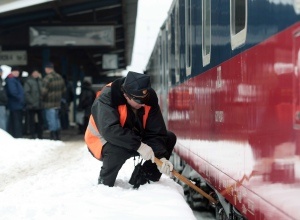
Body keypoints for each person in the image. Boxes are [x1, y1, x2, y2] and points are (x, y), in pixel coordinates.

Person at [85, 71, 176, 187]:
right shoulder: (107, 97)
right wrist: (139, 145)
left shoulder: (149, 98)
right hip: (102, 140)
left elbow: (156, 132)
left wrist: (161, 156)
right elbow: (111, 131)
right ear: (126, 95)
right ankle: (105, 184)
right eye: (139, 101)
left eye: (145, 99)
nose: (143, 104)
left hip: (133, 137)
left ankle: (147, 178)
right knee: (117, 148)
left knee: (169, 138)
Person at [41, 62, 66, 140]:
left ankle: (53, 135)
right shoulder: (59, 77)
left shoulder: (47, 78)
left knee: (51, 120)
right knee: (56, 119)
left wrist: (41, 98)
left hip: (49, 103)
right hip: (57, 102)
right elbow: (64, 90)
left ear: (47, 69)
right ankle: (58, 134)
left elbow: (43, 91)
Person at [5, 66, 25, 138]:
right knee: (16, 121)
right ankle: (17, 135)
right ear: (12, 72)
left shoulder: (15, 79)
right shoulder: (11, 80)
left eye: (18, 71)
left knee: (16, 120)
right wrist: (20, 98)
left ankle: (16, 134)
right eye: (15, 71)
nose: (17, 73)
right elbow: (13, 92)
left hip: (17, 104)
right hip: (15, 104)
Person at [24, 69, 44, 139]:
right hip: (32, 105)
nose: (36, 74)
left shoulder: (41, 81)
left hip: (40, 105)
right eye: (34, 73)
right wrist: (32, 101)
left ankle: (40, 134)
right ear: (32, 74)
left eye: (37, 73)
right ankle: (32, 134)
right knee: (31, 121)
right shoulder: (28, 82)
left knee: (41, 121)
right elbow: (26, 93)